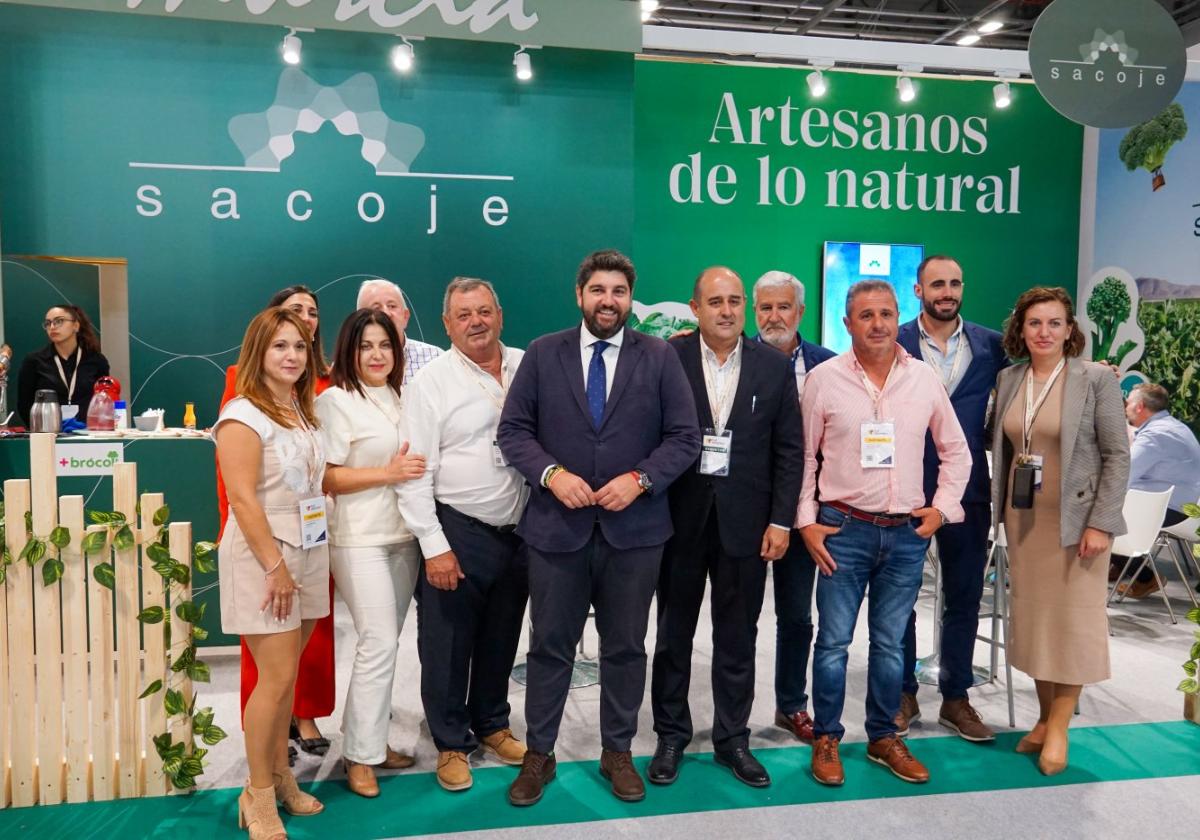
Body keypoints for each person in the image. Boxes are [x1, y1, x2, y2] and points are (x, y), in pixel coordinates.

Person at [498, 249, 700, 807]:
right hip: (555, 530)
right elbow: (513, 431)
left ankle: (617, 752)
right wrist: (551, 474)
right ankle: (539, 753)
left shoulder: (659, 358)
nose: (608, 300)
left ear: (629, 299)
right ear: (579, 295)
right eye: (598, 290)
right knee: (549, 648)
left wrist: (640, 478)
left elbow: (684, 438)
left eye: (618, 291)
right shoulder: (543, 354)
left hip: (634, 533)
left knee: (626, 648)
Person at [799, 280, 970, 788]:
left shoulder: (923, 379)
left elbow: (955, 450)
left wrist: (942, 510)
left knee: (892, 644)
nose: (877, 324)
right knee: (831, 643)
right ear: (847, 322)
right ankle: (827, 736)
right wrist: (806, 521)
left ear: (900, 319)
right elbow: (805, 457)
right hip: (842, 530)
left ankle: (882, 736)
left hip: (905, 536)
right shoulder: (824, 380)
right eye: (865, 315)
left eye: (886, 314)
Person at [648, 267, 802, 788]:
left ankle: (733, 739)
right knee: (673, 635)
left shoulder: (774, 368)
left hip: (748, 526)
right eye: (716, 301)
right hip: (678, 524)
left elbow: (789, 452)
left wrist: (782, 520)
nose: (727, 310)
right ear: (695, 308)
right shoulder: (666, 360)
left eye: (736, 300)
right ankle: (671, 734)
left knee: (738, 637)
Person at [398, 277, 531, 793]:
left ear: (500, 313)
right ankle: (451, 742)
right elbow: (414, 472)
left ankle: (493, 724)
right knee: (447, 644)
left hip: (519, 529)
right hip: (457, 528)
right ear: (448, 324)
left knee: (502, 636)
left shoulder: (527, 365)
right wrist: (435, 546)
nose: (476, 322)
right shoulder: (430, 383)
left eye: (484, 311)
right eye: (464, 315)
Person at [990, 286, 1129, 776]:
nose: (1044, 332)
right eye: (1034, 323)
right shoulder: (1010, 378)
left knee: (1072, 624)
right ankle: (1044, 719)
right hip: (1024, 522)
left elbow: (1117, 455)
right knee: (1037, 624)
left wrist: (1101, 522)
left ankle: (1062, 728)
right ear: (1020, 330)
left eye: (1054, 323)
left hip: (1076, 526)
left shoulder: (1094, 380)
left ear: (1070, 330)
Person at [215, 306, 329, 839]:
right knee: (275, 679)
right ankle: (257, 794)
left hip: (306, 550)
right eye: (280, 345)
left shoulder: (299, 411)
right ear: (257, 351)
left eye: (300, 347)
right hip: (266, 557)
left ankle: (282, 777)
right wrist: (276, 568)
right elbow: (241, 498)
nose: (291, 356)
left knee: (289, 682)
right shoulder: (243, 414)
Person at [896, 255, 1008, 742]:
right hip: (903, 490)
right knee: (898, 599)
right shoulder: (893, 340)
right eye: (937, 283)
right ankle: (901, 692)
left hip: (968, 491)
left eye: (955, 283)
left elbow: (1047, 365)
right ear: (918, 289)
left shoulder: (992, 347)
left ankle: (956, 697)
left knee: (964, 596)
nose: (948, 291)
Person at [315, 309, 426, 797]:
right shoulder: (335, 402)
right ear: (349, 351)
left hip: (406, 537)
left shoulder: (404, 397)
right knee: (377, 642)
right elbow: (328, 476)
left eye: (385, 345)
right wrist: (389, 474)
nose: (377, 354)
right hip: (359, 538)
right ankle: (358, 756)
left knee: (387, 644)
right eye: (366, 346)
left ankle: (372, 744)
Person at [752, 269, 836, 743]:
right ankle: (732, 714)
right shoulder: (734, 357)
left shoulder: (828, 366)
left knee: (797, 615)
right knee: (738, 616)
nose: (774, 316)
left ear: (800, 312)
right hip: (743, 508)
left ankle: (790, 705)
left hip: (805, 510)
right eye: (765, 307)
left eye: (784, 306)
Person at [1111, 383, 1200, 597]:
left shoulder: (1155, 436)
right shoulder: (1172, 427)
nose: (1126, 407)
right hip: (1185, 508)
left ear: (1140, 407)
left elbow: (1123, 474)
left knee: (1099, 513)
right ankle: (1125, 568)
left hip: (1172, 511)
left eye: (1128, 402)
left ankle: (1144, 578)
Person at [16, 304, 110, 426]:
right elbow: (24, 404)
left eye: (59, 321)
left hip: (88, 433)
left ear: (76, 326)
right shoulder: (34, 361)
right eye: (48, 323)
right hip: (48, 434)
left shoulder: (96, 360)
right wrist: (39, 429)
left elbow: (104, 401)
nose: (52, 327)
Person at [357, 278, 443, 384]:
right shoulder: (346, 364)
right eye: (376, 308)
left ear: (405, 317)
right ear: (358, 320)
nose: (386, 313)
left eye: (392, 306)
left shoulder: (435, 358)